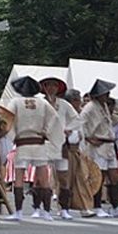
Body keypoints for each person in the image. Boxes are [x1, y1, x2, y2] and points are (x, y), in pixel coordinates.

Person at [3, 76, 61, 222]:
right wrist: (46, 131)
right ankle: (46, 212)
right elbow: (55, 118)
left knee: (19, 178)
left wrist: (13, 136)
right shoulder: (42, 102)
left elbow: (6, 118)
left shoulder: (15, 102)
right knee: (43, 178)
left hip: (22, 142)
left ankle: (19, 212)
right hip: (39, 142)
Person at [82, 79, 118, 218]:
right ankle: (96, 206)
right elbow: (80, 123)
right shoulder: (90, 107)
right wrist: (88, 137)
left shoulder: (103, 106)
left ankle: (116, 206)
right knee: (99, 176)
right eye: (105, 93)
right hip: (98, 145)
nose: (108, 95)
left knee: (115, 176)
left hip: (109, 145)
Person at [40, 76, 80, 220]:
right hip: (44, 142)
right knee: (42, 177)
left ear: (58, 89)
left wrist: (68, 129)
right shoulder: (40, 103)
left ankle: (64, 208)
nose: (51, 88)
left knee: (63, 178)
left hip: (61, 144)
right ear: (44, 88)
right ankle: (42, 208)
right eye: (48, 85)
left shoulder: (63, 104)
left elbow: (76, 119)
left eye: (54, 86)